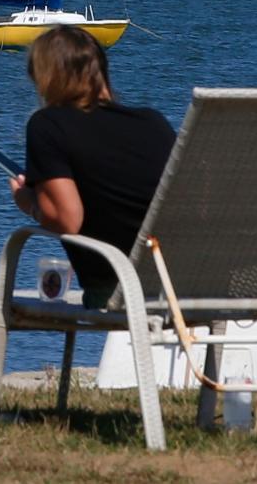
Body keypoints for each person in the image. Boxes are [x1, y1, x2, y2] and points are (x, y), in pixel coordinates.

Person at [9, 25, 176, 308]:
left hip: (116, 288)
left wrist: (29, 202)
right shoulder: (153, 123)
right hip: (179, 284)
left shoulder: (48, 125)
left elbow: (67, 219)